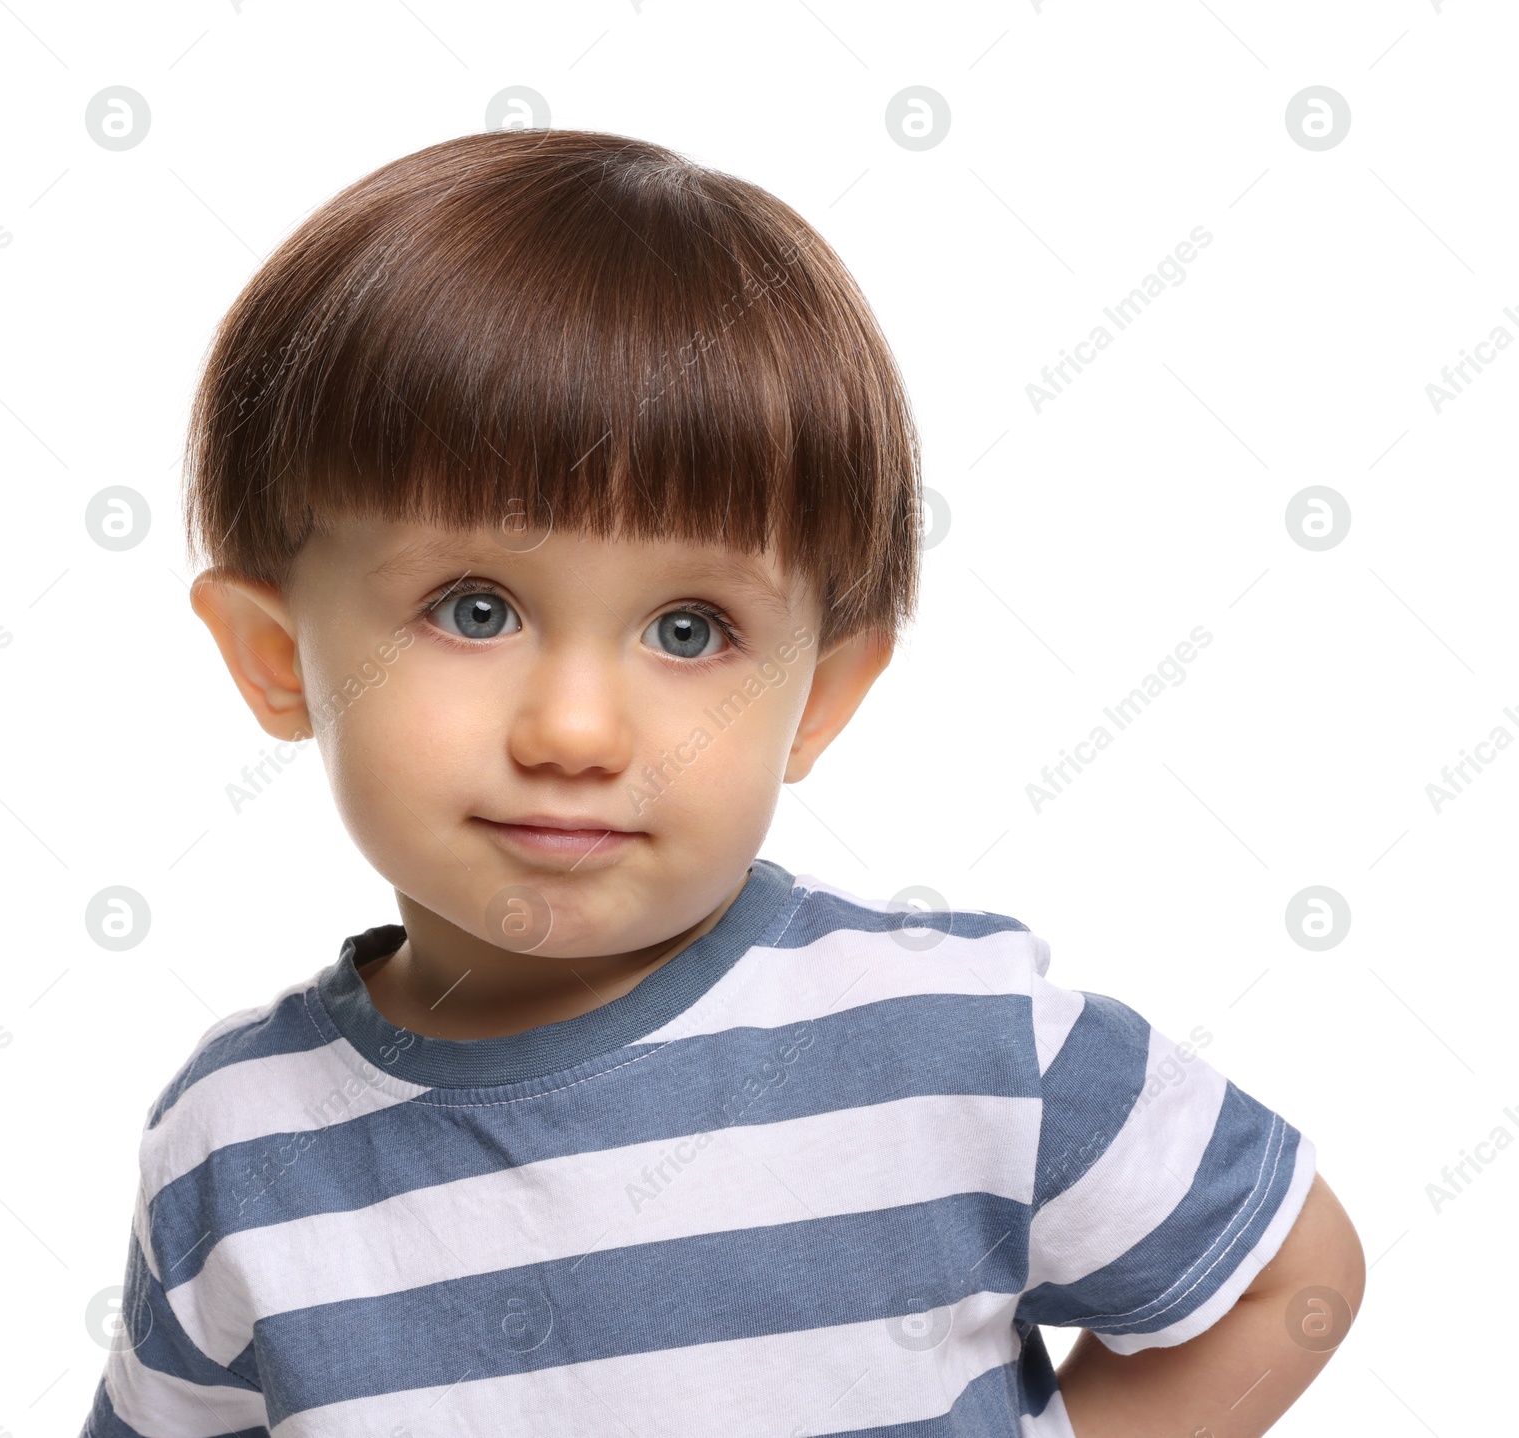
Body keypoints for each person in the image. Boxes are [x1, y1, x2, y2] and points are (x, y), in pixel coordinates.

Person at [80, 128, 1363, 1438]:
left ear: (819, 696)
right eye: (474, 608)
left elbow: (1290, 1278)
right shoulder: (236, 1152)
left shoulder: (955, 1038)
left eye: (689, 629)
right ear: (274, 656)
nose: (576, 730)